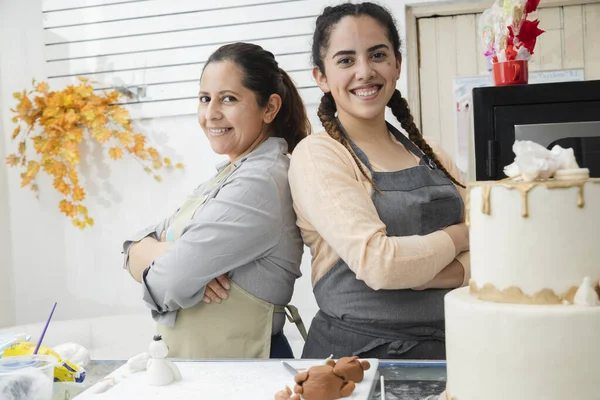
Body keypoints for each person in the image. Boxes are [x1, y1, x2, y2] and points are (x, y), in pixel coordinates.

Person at [288, 2, 470, 360]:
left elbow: (497, 240)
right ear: (321, 76)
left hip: (456, 349)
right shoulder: (318, 156)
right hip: (357, 361)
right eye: (345, 60)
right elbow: (380, 264)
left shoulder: (429, 151)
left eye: (377, 55)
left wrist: (438, 274)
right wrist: (462, 237)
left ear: (397, 64)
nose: (364, 71)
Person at [122, 42, 310, 359]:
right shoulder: (228, 175)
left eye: (229, 99)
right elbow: (131, 250)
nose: (211, 114)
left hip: (244, 374)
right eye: (205, 98)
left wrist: (180, 264)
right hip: (213, 369)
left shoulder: (259, 182)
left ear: (270, 108)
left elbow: (170, 281)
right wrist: (176, 255)